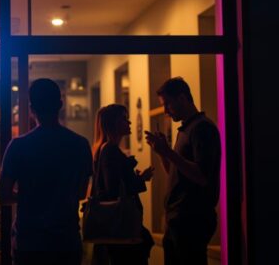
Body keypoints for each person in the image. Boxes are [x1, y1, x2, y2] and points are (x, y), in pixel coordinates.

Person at [0, 78, 93, 265]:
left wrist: (27, 195)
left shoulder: (18, 146)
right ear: (60, 105)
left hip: (29, 241)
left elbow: (3, 195)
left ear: (32, 109)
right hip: (66, 240)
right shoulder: (80, 145)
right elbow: (81, 192)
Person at [144, 77, 221, 265]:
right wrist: (162, 153)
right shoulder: (185, 130)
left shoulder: (202, 128)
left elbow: (202, 176)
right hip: (178, 220)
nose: (165, 111)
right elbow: (174, 171)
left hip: (192, 219)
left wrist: (168, 151)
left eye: (168, 104)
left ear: (182, 98)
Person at [91, 104, 154, 265]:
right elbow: (114, 190)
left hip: (117, 230)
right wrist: (141, 179)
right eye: (124, 119)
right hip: (121, 230)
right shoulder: (110, 150)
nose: (129, 123)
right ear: (114, 123)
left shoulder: (106, 149)